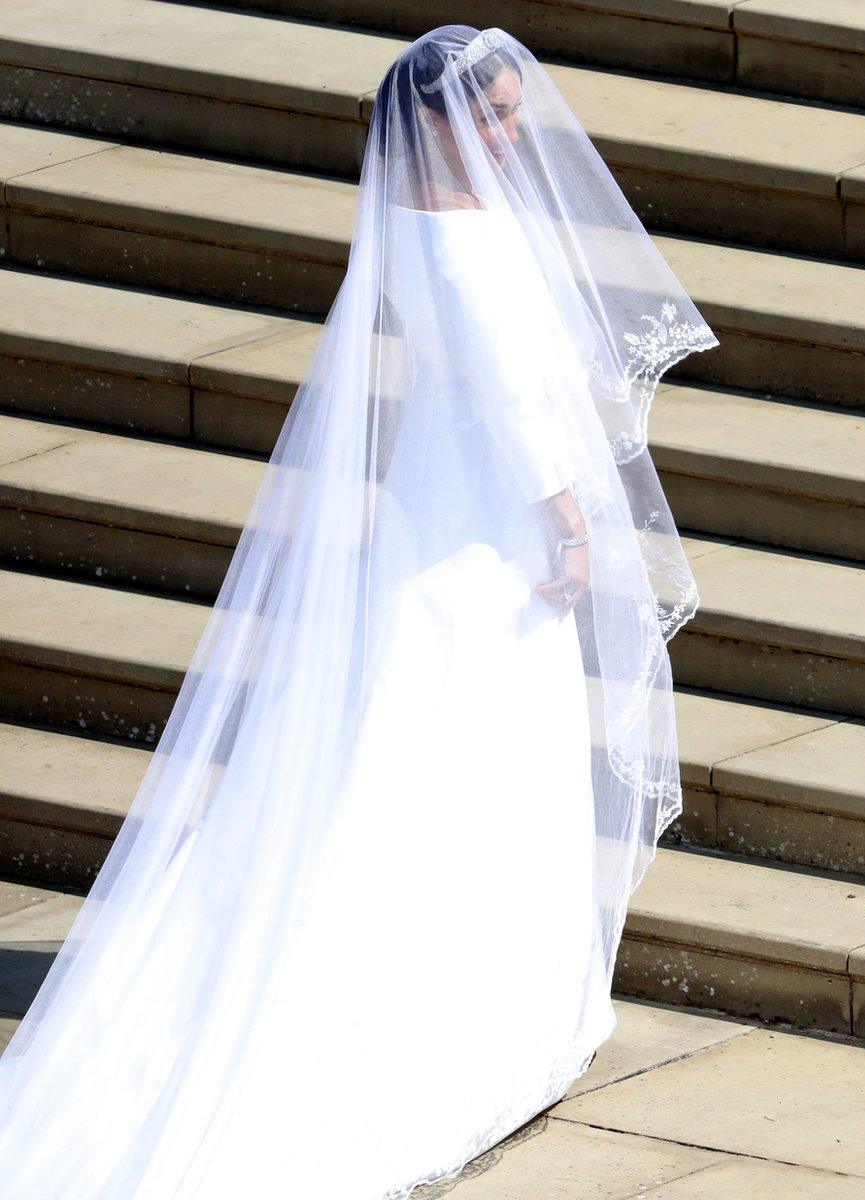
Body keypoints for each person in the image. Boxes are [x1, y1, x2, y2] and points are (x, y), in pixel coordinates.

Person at [0, 24, 719, 1199]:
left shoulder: (410, 224)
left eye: (509, 115)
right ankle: (439, 1005)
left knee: (433, 735)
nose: (508, 135)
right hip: (490, 520)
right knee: (460, 743)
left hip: (447, 497)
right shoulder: (462, 245)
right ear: (433, 123)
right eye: (488, 117)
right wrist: (575, 524)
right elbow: (508, 387)